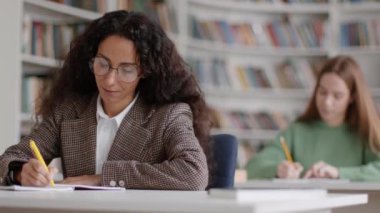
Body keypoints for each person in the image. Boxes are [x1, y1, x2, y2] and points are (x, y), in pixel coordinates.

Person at [0, 10, 212, 190]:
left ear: (145, 71)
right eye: (102, 64)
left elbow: (194, 173)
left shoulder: (169, 115)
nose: (110, 81)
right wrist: (20, 171)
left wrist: (104, 178)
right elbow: (11, 157)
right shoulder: (69, 110)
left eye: (126, 70)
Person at [246, 55, 380, 181]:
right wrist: (278, 169)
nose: (327, 102)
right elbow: (252, 167)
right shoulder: (296, 131)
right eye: (322, 92)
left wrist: (339, 173)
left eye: (337, 96)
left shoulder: (364, 133)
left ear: (352, 97)